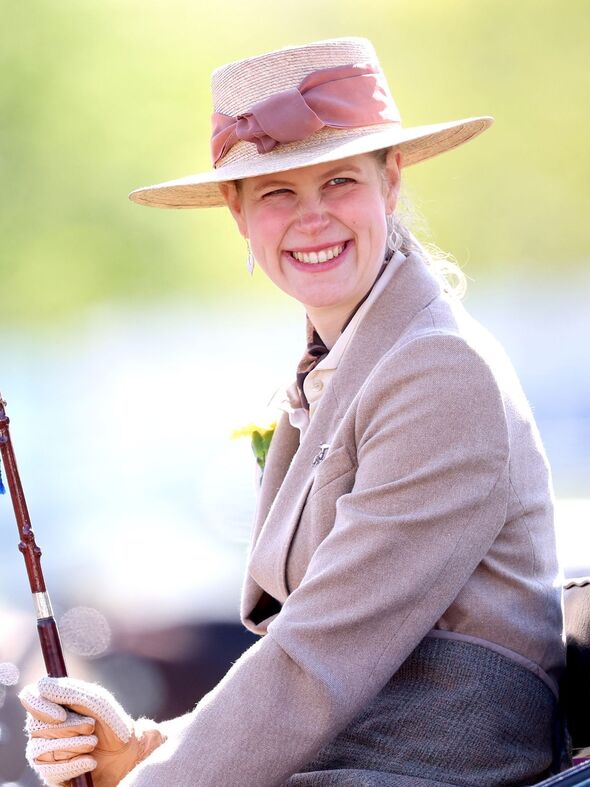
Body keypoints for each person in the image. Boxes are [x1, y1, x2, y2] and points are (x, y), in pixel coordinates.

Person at [19, 37, 568, 786]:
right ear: (238, 213)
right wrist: (146, 747)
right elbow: (312, 660)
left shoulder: (439, 369)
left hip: (437, 768)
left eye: (339, 180)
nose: (312, 218)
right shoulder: (343, 362)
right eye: (276, 191)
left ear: (391, 182)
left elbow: (320, 660)